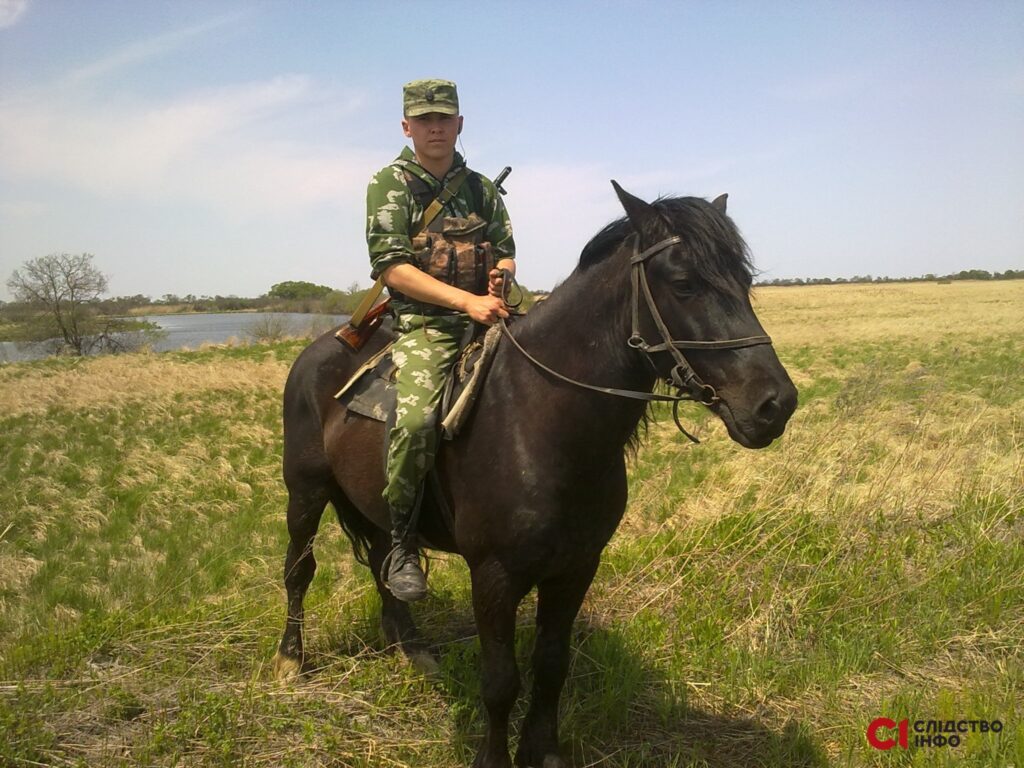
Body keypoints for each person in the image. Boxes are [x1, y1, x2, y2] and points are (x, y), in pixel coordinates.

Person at [366, 78, 516, 602]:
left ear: (459, 124)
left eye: (444, 118)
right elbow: (393, 270)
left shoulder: (482, 189)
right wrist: (464, 301)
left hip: (489, 317)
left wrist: (500, 276)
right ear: (407, 126)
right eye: (424, 119)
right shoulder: (390, 185)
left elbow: (505, 249)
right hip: (426, 327)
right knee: (413, 422)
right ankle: (403, 542)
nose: (435, 127)